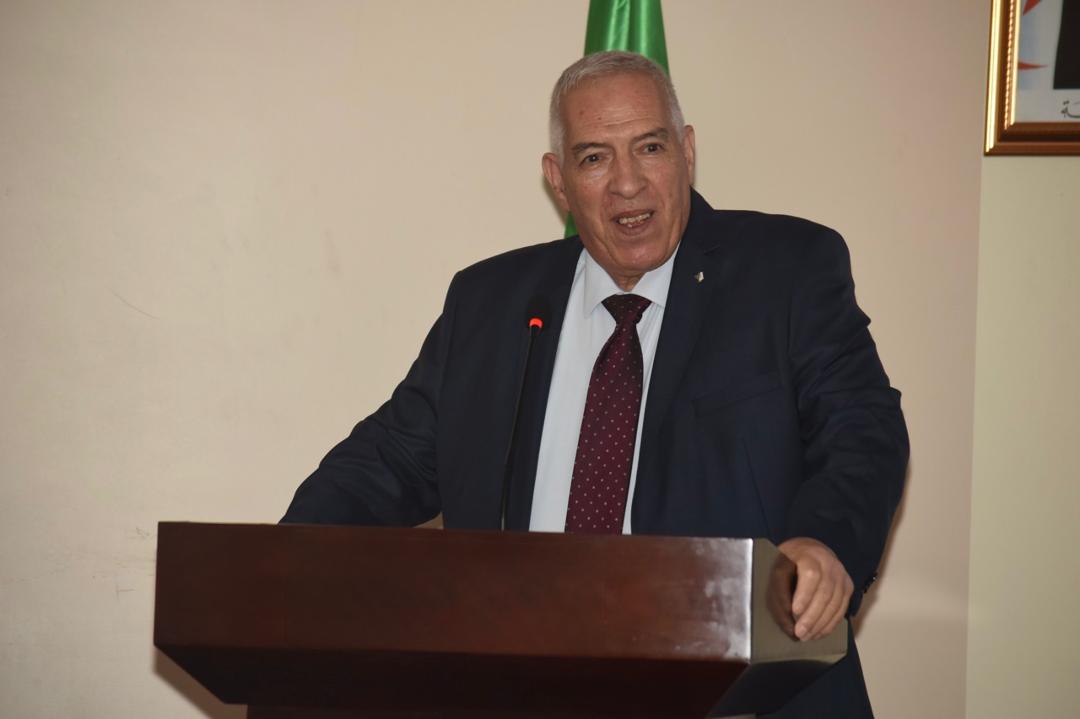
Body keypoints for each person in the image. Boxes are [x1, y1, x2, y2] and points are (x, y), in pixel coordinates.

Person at [282, 51, 908, 717]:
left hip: (745, 695)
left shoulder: (783, 272)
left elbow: (861, 430)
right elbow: (388, 461)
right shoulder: (492, 304)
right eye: (594, 158)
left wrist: (823, 542)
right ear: (558, 180)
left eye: (650, 147)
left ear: (687, 151)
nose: (627, 184)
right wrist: (284, 562)